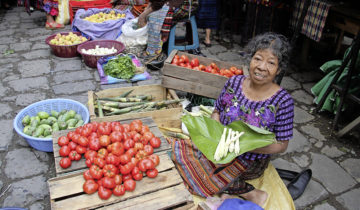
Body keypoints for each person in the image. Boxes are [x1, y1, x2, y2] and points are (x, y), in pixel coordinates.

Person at [171, 32, 293, 207]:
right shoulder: (234, 82)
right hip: (221, 146)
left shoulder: (283, 101)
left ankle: (251, 193)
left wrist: (244, 144)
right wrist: (214, 136)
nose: (261, 67)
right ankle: (228, 185)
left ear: (279, 70)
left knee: (204, 175)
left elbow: (281, 145)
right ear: (250, 59)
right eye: (258, 59)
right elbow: (217, 111)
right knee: (178, 152)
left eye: (271, 63)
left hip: (250, 159)